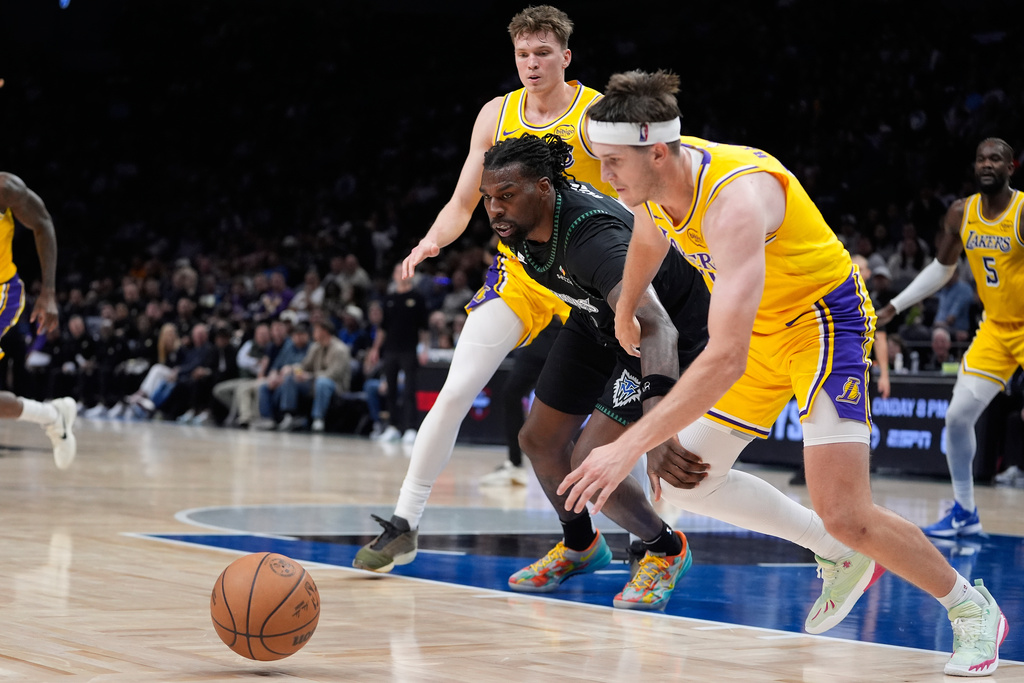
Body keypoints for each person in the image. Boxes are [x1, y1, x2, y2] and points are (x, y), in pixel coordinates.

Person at [559, 71, 1005, 676]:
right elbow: (647, 235)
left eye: (612, 163)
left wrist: (629, 445)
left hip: (825, 323)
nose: (605, 176)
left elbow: (725, 357)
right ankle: (836, 555)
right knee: (686, 481)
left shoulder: (735, 202)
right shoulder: (657, 189)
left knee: (846, 509)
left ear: (657, 151)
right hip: (763, 333)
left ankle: (971, 607)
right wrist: (624, 306)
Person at [353, 4, 625, 573]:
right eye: (523, 53)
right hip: (523, 276)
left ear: (566, 57)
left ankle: (643, 538)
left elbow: (632, 195)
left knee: (618, 418)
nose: (531, 63)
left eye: (543, 53)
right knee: (455, 392)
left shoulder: (594, 112)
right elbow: (462, 201)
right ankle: (405, 524)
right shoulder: (495, 114)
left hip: (590, 277)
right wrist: (430, 243)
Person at [474, 133, 710, 608]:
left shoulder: (593, 239)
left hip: (663, 335)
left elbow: (657, 326)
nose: (495, 209)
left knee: (589, 459)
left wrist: (657, 432)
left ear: (543, 188)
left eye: (506, 196)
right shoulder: (525, 223)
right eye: (488, 199)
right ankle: (581, 545)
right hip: (599, 317)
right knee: (537, 439)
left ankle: (665, 550)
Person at [877, 138, 1023, 546]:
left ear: (1012, 166)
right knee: (957, 418)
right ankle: (965, 513)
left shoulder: (1022, 212)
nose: (986, 164)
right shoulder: (962, 212)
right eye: (980, 159)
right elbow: (943, 269)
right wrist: (896, 305)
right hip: (996, 328)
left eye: (995, 159)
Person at [0, 173, 77, 468]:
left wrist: (48, 292)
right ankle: (52, 416)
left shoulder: (5, 188)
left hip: (2, 293)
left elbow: (42, 222)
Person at [365, 263, 429, 443]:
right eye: (398, 271)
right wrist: (376, 349)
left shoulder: (417, 298)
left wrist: (423, 349)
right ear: (394, 276)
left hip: (409, 350)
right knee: (390, 389)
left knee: (410, 389)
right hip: (390, 350)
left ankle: (410, 428)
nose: (401, 274)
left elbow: (424, 328)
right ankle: (393, 426)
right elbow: (382, 329)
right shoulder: (389, 299)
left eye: (404, 271)